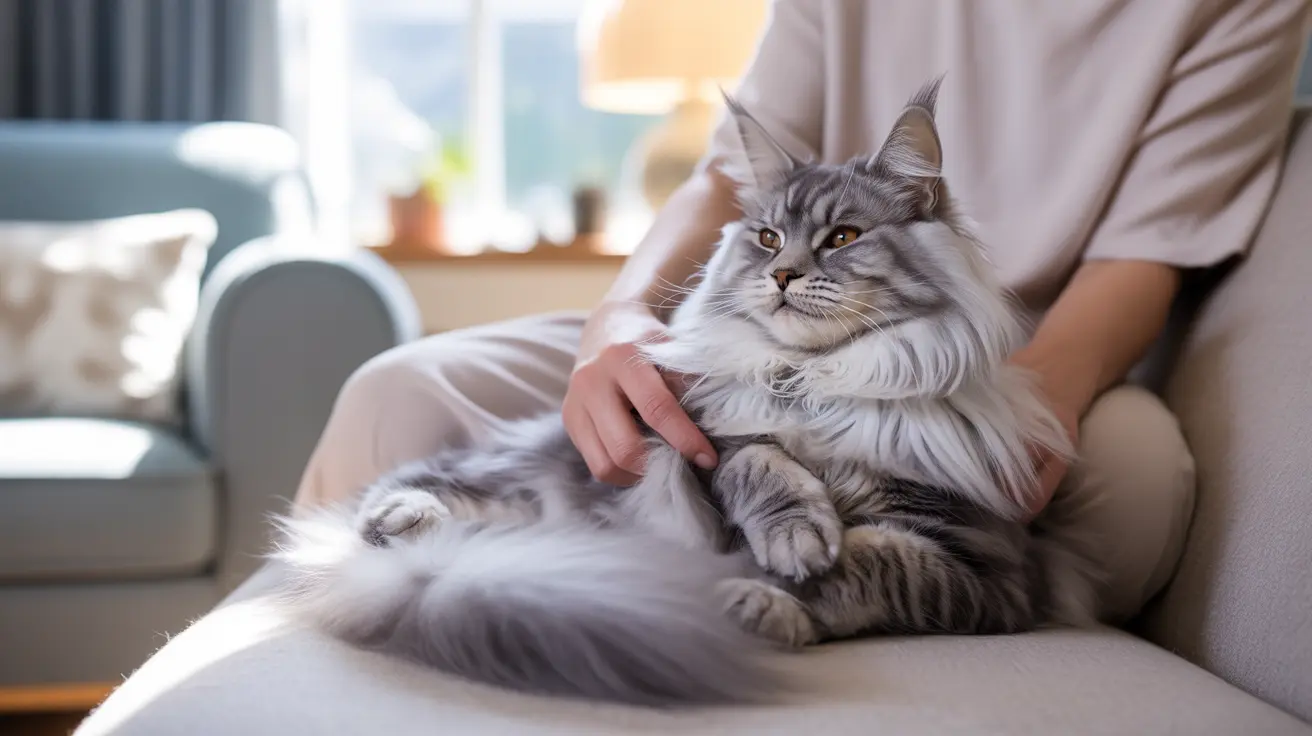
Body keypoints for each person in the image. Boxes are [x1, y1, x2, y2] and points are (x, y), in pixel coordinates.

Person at [294, 1, 1312, 624]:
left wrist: (1015, 413)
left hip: (990, 354)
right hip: (742, 324)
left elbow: (1143, 259)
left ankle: (782, 580)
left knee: (1140, 491)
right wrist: (619, 321)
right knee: (398, 391)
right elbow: (724, 184)